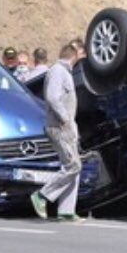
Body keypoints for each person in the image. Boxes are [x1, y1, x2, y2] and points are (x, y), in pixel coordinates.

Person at [30, 44, 84, 222]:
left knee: (73, 168)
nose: (83, 58)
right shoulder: (58, 71)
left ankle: (66, 210)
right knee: (73, 166)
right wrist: (65, 119)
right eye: (82, 53)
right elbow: (52, 97)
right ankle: (42, 195)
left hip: (67, 128)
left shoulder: (65, 72)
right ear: (75, 54)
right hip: (59, 127)